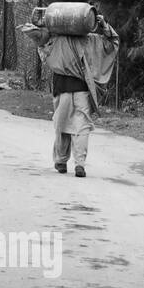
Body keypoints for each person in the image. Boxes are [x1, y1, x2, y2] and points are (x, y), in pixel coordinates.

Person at [20, 10, 120, 178]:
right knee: (81, 127)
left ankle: (60, 161)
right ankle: (80, 164)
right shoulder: (92, 41)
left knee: (61, 125)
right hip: (82, 89)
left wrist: (37, 25)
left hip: (61, 88)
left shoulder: (54, 39)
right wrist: (103, 25)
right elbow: (113, 42)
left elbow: (39, 40)